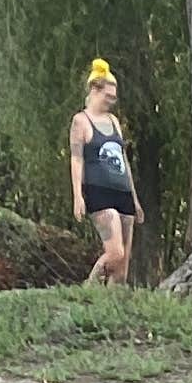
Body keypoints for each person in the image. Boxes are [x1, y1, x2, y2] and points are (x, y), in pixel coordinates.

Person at [70, 62, 142, 286]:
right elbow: (76, 158)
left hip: (122, 192)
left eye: (114, 98)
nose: (111, 101)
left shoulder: (114, 122)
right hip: (98, 192)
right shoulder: (81, 121)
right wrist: (78, 196)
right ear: (94, 90)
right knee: (115, 253)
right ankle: (88, 287)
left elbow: (123, 160)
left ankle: (109, 307)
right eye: (107, 96)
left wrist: (135, 199)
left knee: (123, 267)